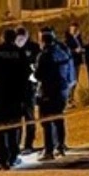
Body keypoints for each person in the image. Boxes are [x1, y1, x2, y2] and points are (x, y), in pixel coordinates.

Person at [0, 28, 29, 170]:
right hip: (15, 96)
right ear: (14, 38)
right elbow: (26, 74)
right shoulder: (20, 53)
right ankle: (13, 156)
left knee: (0, 128)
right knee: (14, 127)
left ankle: (2, 159)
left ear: (2, 37)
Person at [35, 28, 76, 161]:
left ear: (42, 41)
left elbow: (38, 75)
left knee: (46, 122)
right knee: (59, 119)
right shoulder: (62, 52)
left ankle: (49, 150)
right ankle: (60, 146)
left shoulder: (44, 55)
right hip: (62, 90)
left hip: (48, 91)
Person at [18, 28, 42, 154]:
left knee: (29, 117)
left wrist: (35, 82)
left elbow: (37, 67)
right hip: (16, 90)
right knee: (16, 119)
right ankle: (16, 145)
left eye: (22, 36)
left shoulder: (34, 48)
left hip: (29, 88)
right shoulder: (13, 49)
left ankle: (28, 144)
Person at [64, 23, 85, 105]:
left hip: (77, 62)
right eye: (73, 30)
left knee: (75, 81)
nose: (74, 31)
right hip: (71, 63)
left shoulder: (78, 39)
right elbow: (67, 51)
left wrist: (82, 50)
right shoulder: (68, 40)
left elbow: (81, 46)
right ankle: (69, 99)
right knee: (72, 81)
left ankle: (71, 99)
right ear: (70, 30)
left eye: (76, 30)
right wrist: (75, 51)